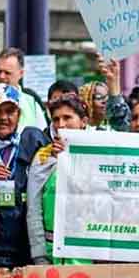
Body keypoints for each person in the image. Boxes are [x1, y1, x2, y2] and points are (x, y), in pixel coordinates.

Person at [0, 83, 47, 268]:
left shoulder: (32, 141)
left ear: (19, 113)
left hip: (23, 247)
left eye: (10, 111)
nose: (3, 117)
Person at [27, 96, 92, 265]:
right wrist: (39, 254)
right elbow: (34, 209)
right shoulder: (43, 157)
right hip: (52, 253)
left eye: (67, 118)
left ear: (83, 121)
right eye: (56, 119)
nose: (60, 125)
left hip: (89, 253)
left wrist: (68, 160)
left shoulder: (100, 155)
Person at [0, 47, 49, 130]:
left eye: (7, 73)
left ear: (21, 73)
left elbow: (42, 136)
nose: (1, 76)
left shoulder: (32, 104)